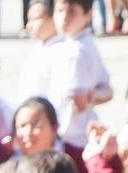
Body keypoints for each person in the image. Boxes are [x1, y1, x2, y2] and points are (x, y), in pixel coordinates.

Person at [45, 0, 113, 149]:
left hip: (69, 136)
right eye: (60, 11)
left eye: (72, 12)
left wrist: (85, 98)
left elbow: (79, 102)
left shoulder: (75, 53)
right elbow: (107, 91)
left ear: (88, 15)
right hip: (82, 134)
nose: (64, 17)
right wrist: (91, 96)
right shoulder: (84, 44)